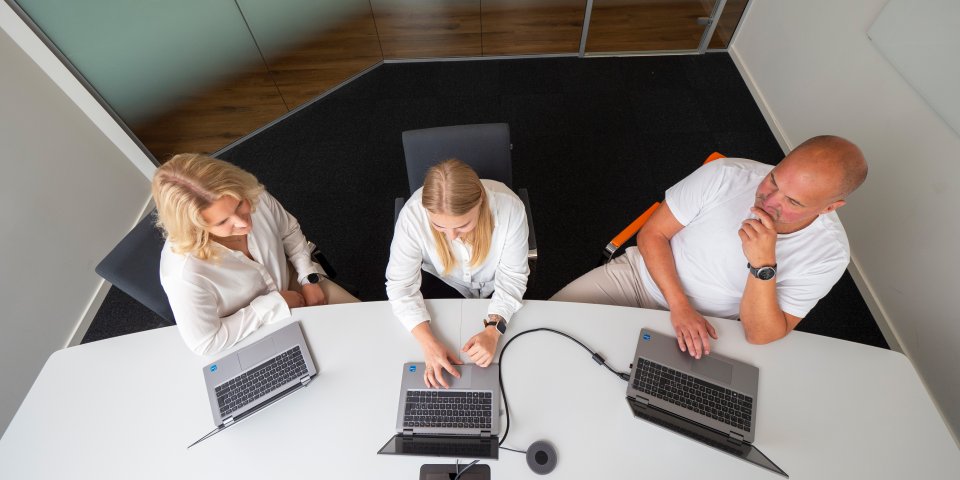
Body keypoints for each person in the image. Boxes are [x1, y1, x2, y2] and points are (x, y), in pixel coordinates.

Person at [552, 136, 868, 358]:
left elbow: (761, 334)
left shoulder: (829, 254)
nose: (767, 201)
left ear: (829, 208)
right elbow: (652, 235)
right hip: (638, 279)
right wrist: (679, 306)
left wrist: (762, 266)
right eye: (773, 180)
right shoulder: (726, 174)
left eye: (793, 201)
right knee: (547, 327)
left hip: (712, 324)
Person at [153, 153, 358, 355]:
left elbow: (289, 232)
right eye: (223, 222)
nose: (243, 222)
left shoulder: (249, 193)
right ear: (195, 227)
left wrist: (308, 278)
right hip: (245, 328)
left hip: (291, 281)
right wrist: (275, 304)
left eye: (239, 205)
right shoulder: (183, 272)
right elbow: (206, 342)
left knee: (364, 323)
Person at [386, 159, 529, 388]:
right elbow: (400, 285)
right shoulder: (413, 215)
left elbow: (512, 276)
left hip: (496, 284)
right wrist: (428, 343)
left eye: (462, 226)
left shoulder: (510, 208)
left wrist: (494, 329)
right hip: (444, 280)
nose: (451, 237)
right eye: (440, 227)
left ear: (480, 203)